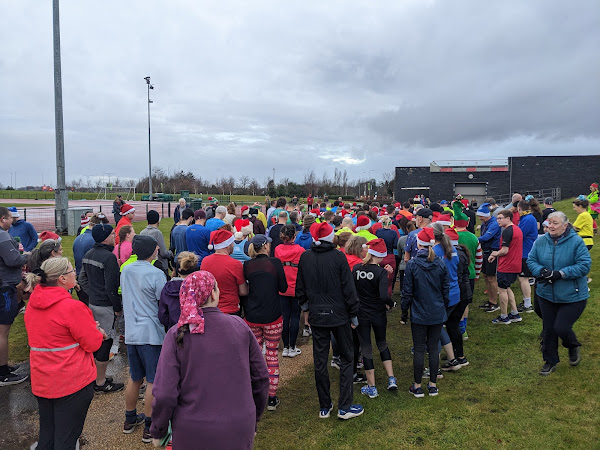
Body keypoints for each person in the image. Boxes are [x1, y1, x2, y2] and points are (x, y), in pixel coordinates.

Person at [149, 271, 269, 448]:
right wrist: (254, 416)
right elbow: (260, 378)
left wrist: (158, 429)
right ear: (213, 293)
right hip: (238, 425)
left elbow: (165, 393)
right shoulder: (239, 326)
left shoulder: (176, 334)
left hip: (192, 430)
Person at [24, 257, 105, 449]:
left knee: (48, 435)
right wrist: (97, 332)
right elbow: (92, 344)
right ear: (62, 278)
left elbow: (52, 335)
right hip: (71, 382)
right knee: (67, 438)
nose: (75, 273)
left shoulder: (33, 306)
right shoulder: (72, 307)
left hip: (43, 380)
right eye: (72, 271)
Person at [296, 222, 364, 420]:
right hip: (338, 314)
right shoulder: (337, 257)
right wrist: (353, 314)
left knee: (320, 360)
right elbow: (348, 289)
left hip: (320, 314)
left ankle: (325, 406)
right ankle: (343, 406)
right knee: (346, 358)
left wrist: (306, 308)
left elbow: (300, 288)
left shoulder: (306, 257)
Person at [527, 211, 591, 375]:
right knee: (548, 329)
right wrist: (542, 271)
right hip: (546, 294)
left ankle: (572, 345)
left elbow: (584, 265)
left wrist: (560, 273)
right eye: (549, 223)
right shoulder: (541, 241)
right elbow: (531, 260)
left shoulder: (576, 242)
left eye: (555, 223)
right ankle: (550, 361)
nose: (551, 226)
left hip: (572, 295)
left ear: (565, 225)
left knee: (561, 327)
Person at [120, 235, 167, 442]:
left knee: (134, 377)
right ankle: (149, 425)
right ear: (153, 251)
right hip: (151, 333)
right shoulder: (156, 274)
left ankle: (130, 418)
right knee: (152, 381)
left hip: (132, 330)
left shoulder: (127, 270)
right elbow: (162, 301)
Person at [401, 227, 449, 398]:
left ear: (418, 244)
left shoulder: (413, 264)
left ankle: (417, 386)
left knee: (420, 349)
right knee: (433, 348)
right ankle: (433, 385)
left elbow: (407, 291)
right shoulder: (440, 262)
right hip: (435, 311)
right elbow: (445, 290)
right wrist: (444, 307)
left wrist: (404, 311)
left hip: (420, 313)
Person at [78, 224, 124, 393]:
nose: (115, 237)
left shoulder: (89, 254)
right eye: (112, 234)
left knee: (97, 339)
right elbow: (111, 287)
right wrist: (117, 307)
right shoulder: (109, 257)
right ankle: (100, 382)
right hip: (106, 305)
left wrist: (92, 294)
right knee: (106, 342)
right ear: (105, 237)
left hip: (94, 303)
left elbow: (82, 279)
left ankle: (96, 376)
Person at [243, 234, 288, 411]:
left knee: (253, 356)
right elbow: (283, 288)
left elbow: (245, 289)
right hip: (273, 316)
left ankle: (253, 394)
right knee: (271, 354)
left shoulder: (247, 265)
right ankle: (271, 397)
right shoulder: (275, 263)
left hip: (253, 315)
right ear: (266, 246)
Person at [352, 239, 396, 399]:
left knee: (366, 347)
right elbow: (384, 295)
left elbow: (352, 290)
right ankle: (391, 378)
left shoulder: (356, 269)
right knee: (382, 343)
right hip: (378, 314)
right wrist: (392, 304)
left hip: (361, 313)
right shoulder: (381, 272)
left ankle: (372, 387)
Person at [0, 206, 29, 386]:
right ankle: (2, 372)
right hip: (5, 287)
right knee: (3, 331)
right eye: (10, 218)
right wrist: (27, 256)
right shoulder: (3, 236)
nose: (12, 221)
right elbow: (13, 260)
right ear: (3, 219)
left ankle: (3, 366)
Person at [487, 210, 523, 325]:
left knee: (502, 290)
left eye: (500, 218)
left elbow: (505, 250)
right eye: (497, 218)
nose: (498, 220)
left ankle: (504, 316)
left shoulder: (507, 231)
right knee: (507, 288)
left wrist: (494, 254)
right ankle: (514, 313)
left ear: (508, 218)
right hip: (515, 264)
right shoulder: (517, 229)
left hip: (507, 265)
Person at [200, 229, 248, 315]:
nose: (233, 245)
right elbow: (243, 291)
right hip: (230, 310)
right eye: (232, 243)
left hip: (210, 309)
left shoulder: (205, 261)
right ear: (227, 245)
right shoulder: (235, 264)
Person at [275, 225, 305, 358]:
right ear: (294, 236)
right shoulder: (300, 250)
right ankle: (291, 346)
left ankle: (286, 346)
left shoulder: (277, 249)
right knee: (295, 317)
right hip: (296, 289)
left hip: (282, 288)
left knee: (285, 317)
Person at [159, 252, 198, 330]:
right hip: (195, 330)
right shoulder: (200, 287)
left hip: (174, 330)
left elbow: (162, 314)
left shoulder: (168, 288)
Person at [477, 203, 501, 313]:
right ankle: (490, 300)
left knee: (492, 278)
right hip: (485, 252)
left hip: (492, 253)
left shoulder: (494, 224)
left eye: (480, 216)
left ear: (486, 215)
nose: (479, 218)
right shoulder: (484, 223)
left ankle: (494, 303)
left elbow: (487, 237)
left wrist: (473, 239)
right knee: (486, 276)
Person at [516, 200, 539, 314]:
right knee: (522, 278)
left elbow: (519, 234)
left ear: (520, 209)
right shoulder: (528, 218)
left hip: (526, 252)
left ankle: (528, 304)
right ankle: (527, 302)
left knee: (523, 278)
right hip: (525, 251)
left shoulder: (528, 219)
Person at [375, 216, 398, 296]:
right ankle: (387, 301)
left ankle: (378, 297)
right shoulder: (394, 233)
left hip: (379, 257)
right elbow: (395, 245)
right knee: (389, 281)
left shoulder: (378, 231)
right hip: (390, 256)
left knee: (378, 279)